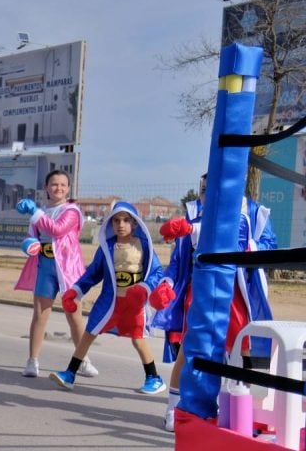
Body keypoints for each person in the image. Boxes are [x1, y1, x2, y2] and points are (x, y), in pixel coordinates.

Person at [152, 173, 275, 431]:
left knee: (242, 350)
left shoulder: (254, 211)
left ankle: (241, 412)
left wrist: (247, 247)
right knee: (190, 347)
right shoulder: (193, 211)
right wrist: (166, 283)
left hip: (239, 291)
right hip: (201, 288)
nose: (210, 191)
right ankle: (174, 409)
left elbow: (269, 245)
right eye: (205, 187)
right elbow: (179, 258)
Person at [49, 203, 167, 394]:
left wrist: (145, 288)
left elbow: (156, 271)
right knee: (89, 333)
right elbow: (93, 273)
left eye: (126, 220)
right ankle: (70, 373)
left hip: (134, 304)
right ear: (111, 223)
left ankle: (154, 378)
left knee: (138, 339)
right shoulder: (106, 248)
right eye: (116, 220)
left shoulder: (144, 246)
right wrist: (76, 291)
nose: (121, 224)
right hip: (109, 302)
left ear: (135, 223)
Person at [14, 170, 98, 379]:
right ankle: (32, 361)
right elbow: (33, 237)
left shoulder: (72, 211)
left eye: (62, 185)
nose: (58, 188)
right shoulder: (41, 211)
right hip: (45, 267)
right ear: (46, 187)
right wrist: (29, 245)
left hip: (68, 270)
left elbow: (57, 230)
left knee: (74, 316)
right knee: (40, 315)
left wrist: (34, 213)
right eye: (54, 184)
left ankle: (83, 361)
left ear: (68, 188)